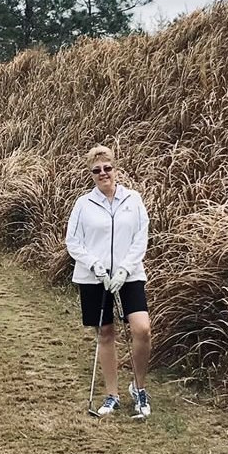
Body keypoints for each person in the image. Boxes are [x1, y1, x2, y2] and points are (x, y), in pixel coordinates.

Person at [65, 144, 152, 417]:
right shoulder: (83, 204)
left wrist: (125, 269)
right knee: (105, 333)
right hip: (95, 277)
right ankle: (111, 395)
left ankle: (139, 389)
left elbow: (141, 236)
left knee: (142, 329)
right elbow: (73, 242)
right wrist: (95, 265)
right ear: (91, 174)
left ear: (115, 168)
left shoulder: (133, 199)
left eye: (107, 168)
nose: (103, 173)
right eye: (97, 170)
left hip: (129, 274)